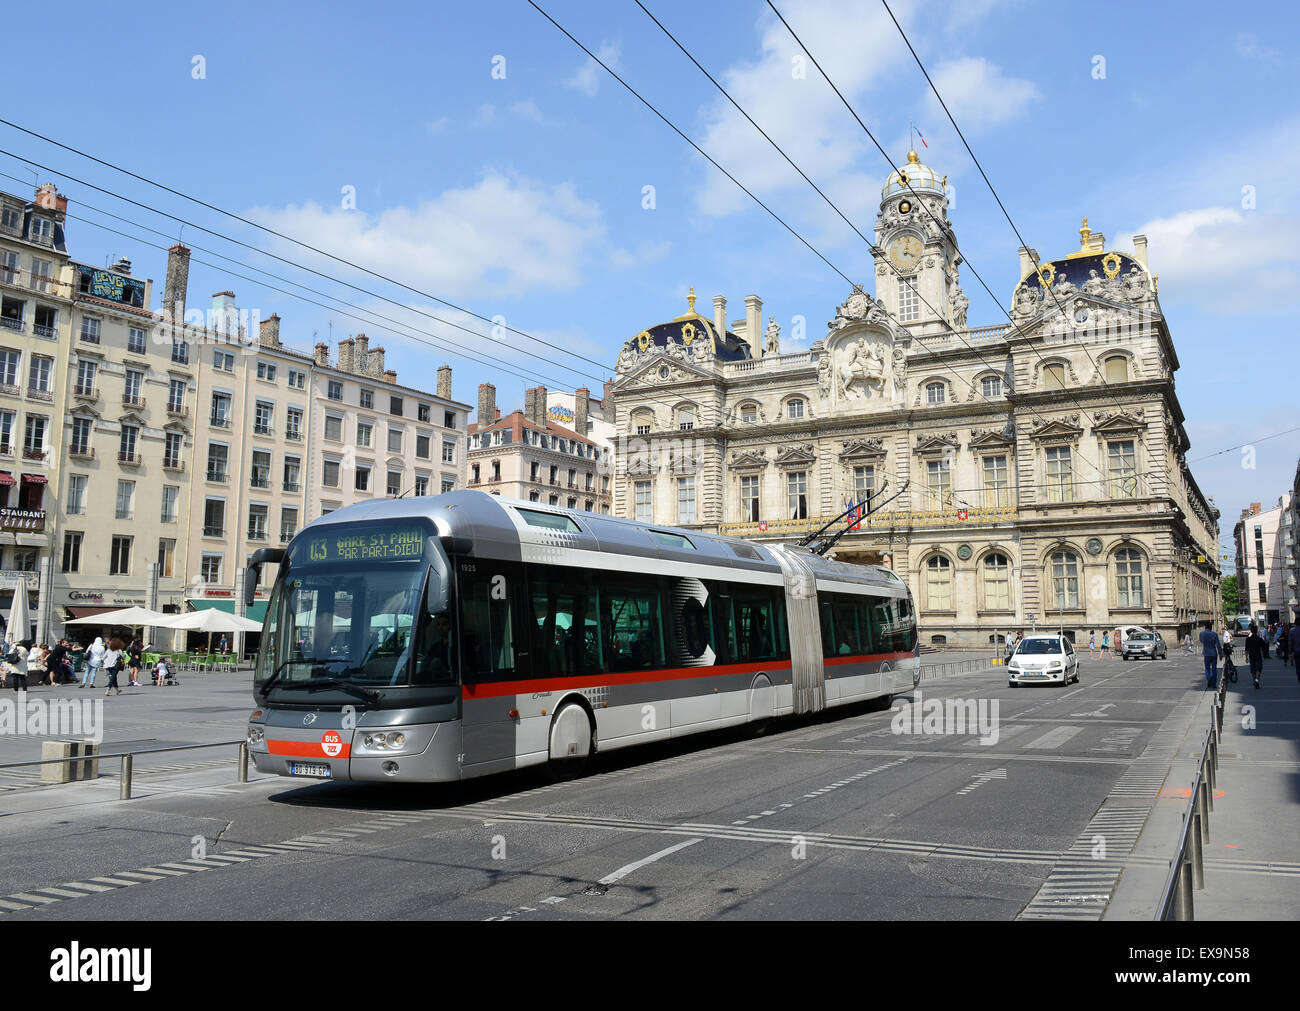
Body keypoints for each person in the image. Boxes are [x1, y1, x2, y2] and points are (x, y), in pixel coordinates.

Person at [1199, 620, 1223, 690]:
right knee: (1214, 669)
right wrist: (1220, 654)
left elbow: (1201, 641)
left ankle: (1208, 678)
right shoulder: (1214, 634)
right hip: (1213, 653)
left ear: (1205, 627)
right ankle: (1213, 683)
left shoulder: (1202, 633)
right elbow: (1218, 645)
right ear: (1211, 627)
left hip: (1206, 653)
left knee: (1207, 668)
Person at [1245, 622, 1265, 689]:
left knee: (1253, 670)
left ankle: (1254, 681)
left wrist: (1246, 657)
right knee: (1258, 669)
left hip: (1251, 656)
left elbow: (1246, 649)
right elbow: (1264, 646)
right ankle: (1256, 681)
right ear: (1256, 631)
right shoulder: (1259, 639)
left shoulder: (1248, 639)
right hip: (1258, 656)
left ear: (1251, 631)